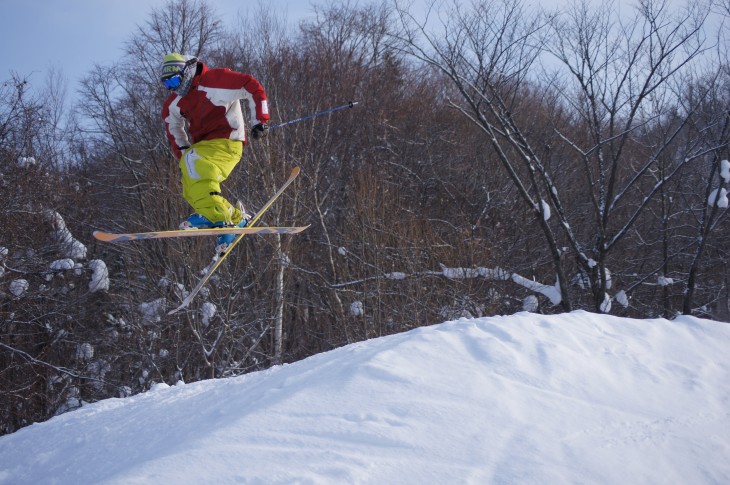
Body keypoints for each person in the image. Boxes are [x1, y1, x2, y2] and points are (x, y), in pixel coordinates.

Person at [160, 52, 270, 254]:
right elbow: (172, 124)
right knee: (188, 182)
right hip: (203, 147)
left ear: (187, 71)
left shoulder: (216, 81)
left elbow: (252, 85)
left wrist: (260, 120)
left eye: (175, 80)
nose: (174, 88)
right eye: (167, 85)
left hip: (228, 142)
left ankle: (214, 214)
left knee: (194, 164)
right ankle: (233, 219)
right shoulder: (175, 102)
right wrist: (185, 154)